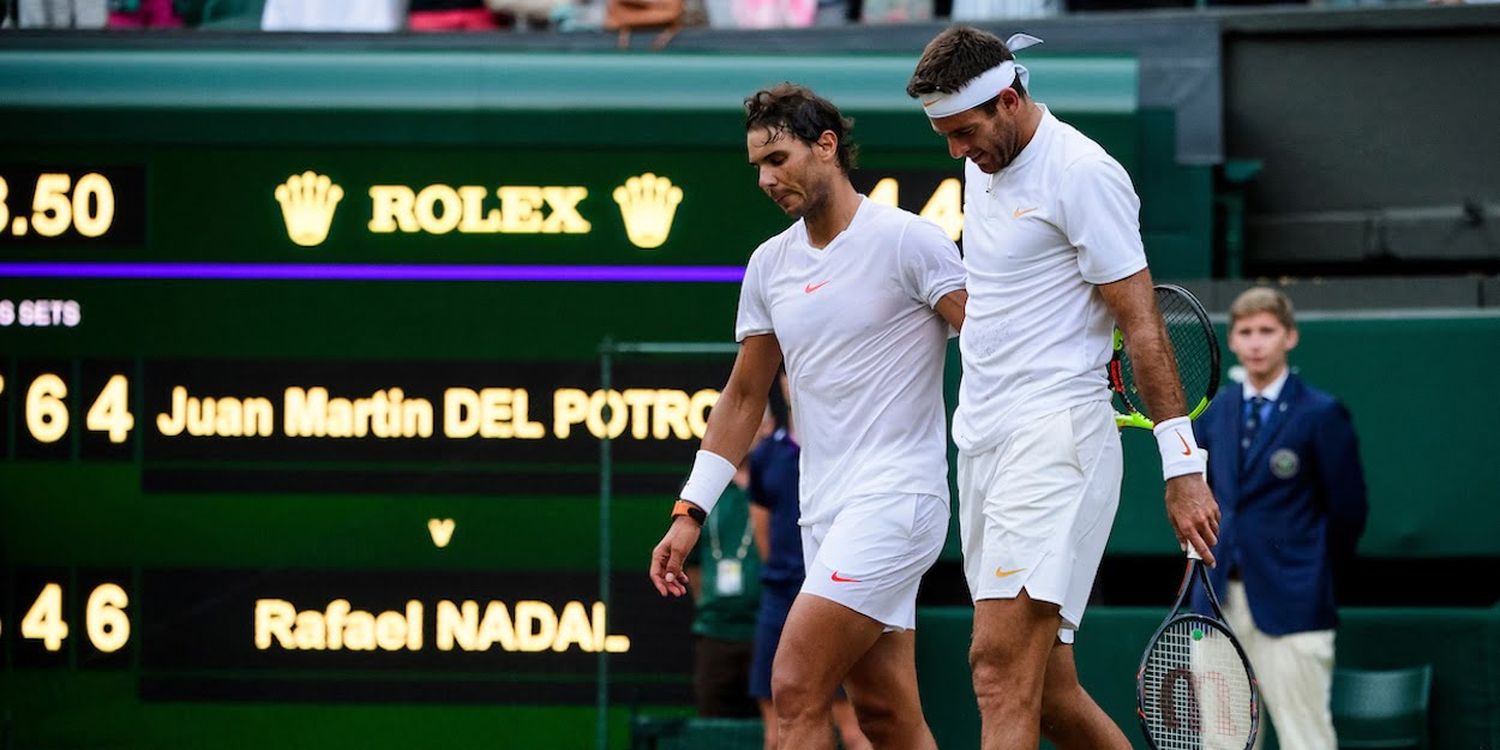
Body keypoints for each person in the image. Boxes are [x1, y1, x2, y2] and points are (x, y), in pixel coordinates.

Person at [906, 26, 1221, 750]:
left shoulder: (1083, 173)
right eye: (945, 136)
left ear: (1010, 100)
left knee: (994, 669)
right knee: (1048, 690)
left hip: (1054, 441)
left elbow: (1143, 325)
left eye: (965, 132)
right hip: (983, 441)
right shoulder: (982, 163)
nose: (957, 152)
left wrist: (1183, 469)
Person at [649, 83, 968, 750]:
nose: (767, 178)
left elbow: (990, 343)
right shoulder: (770, 265)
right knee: (885, 714)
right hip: (822, 510)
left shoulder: (911, 241)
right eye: (758, 166)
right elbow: (741, 399)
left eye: (779, 158)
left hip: (896, 500)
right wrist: (690, 512)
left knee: (792, 682)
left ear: (828, 146)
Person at [1192, 287, 1367, 750]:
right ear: (1231, 340)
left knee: (1305, 738)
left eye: (1267, 331)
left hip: (1293, 601)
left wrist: (1308, 571)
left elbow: (1348, 512)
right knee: (1223, 741)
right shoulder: (1214, 413)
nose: (1255, 342)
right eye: (1245, 331)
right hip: (1216, 600)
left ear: (1289, 337)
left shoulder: (1321, 413)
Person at [747, 375, 871, 750]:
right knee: (779, 731)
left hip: (837, 597)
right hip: (779, 597)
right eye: (787, 373)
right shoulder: (767, 455)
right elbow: (763, 533)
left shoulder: (849, 448)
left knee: (855, 729)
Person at [684, 440, 767, 719]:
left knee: (776, 728)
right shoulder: (704, 487)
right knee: (713, 728)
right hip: (715, 630)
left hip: (767, 629)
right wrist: (710, 603)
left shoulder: (779, 477)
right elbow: (692, 563)